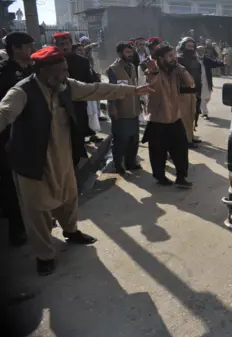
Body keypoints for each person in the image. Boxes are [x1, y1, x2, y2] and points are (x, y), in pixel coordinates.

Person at [0, 46, 153, 276]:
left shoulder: (66, 86)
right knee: (37, 212)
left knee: (69, 197)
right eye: (60, 71)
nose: (65, 75)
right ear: (43, 70)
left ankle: (71, 231)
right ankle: (44, 255)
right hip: (32, 161)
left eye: (65, 70)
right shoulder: (22, 91)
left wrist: (133, 90)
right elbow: (4, 113)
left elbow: (97, 89)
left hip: (62, 156)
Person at [141, 44, 194, 188]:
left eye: (174, 55)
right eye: (170, 56)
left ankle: (181, 178)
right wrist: (153, 73)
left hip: (175, 117)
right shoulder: (152, 71)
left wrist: (180, 67)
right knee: (158, 152)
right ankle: (160, 177)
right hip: (158, 119)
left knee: (181, 150)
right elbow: (152, 84)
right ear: (160, 58)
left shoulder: (176, 70)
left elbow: (190, 83)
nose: (174, 58)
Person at [0, 32, 34, 247]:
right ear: (16, 49)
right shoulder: (5, 74)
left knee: (30, 181)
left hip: (29, 134)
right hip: (10, 137)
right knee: (11, 186)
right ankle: (17, 229)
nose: (31, 50)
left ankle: (33, 222)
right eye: (27, 47)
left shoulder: (29, 70)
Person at [106, 41, 143, 176]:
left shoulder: (133, 67)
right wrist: (112, 107)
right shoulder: (113, 69)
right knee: (121, 140)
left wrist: (140, 103)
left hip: (133, 108)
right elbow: (111, 90)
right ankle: (117, 165)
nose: (130, 54)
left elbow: (135, 86)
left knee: (134, 138)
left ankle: (131, 162)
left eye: (131, 52)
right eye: (127, 52)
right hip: (120, 110)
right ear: (120, 53)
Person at [176, 37, 200, 146]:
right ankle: (186, 140)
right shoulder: (179, 59)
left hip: (193, 91)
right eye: (188, 46)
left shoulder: (195, 59)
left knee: (192, 115)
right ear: (183, 46)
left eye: (192, 46)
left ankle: (191, 136)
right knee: (185, 116)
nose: (190, 48)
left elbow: (198, 76)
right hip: (183, 91)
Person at [196, 45, 224, 120]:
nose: (200, 52)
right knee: (202, 98)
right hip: (198, 82)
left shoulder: (207, 59)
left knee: (207, 97)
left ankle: (200, 106)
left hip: (207, 81)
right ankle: (205, 113)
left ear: (204, 51)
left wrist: (223, 63)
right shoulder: (193, 59)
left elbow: (215, 63)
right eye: (199, 51)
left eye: (202, 50)